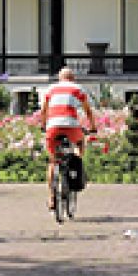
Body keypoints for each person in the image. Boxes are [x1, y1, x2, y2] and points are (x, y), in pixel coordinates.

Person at [40, 67, 97, 210]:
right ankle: (75, 162)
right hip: (71, 126)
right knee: (80, 143)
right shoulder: (77, 88)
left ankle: (51, 197)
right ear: (73, 78)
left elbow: (44, 110)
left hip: (53, 127)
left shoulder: (50, 89)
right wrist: (93, 126)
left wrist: (43, 125)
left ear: (59, 78)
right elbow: (88, 110)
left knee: (53, 160)